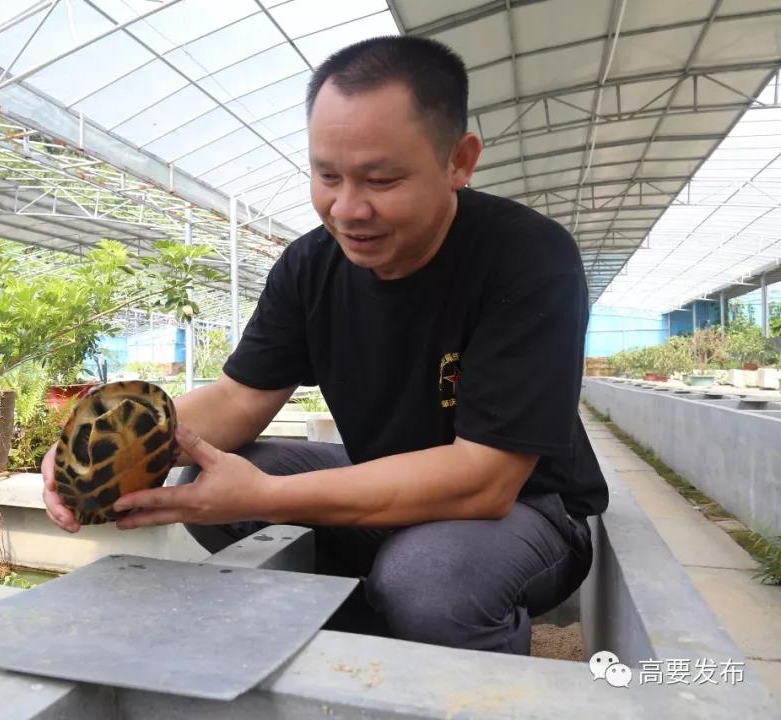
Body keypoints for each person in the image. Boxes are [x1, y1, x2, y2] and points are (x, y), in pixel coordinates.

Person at [41, 35, 608, 655]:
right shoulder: (311, 267)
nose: (347, 209)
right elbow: (236, 398)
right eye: (326, 175)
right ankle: (362, 642)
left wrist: (272, 499)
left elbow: (485, 480)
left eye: (382, 179)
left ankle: (462, 666)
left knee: (430, 584)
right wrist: (98, 448)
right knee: (218, 471)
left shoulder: (526, 259)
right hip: (385, 486)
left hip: (523, 511)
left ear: (459, 161)